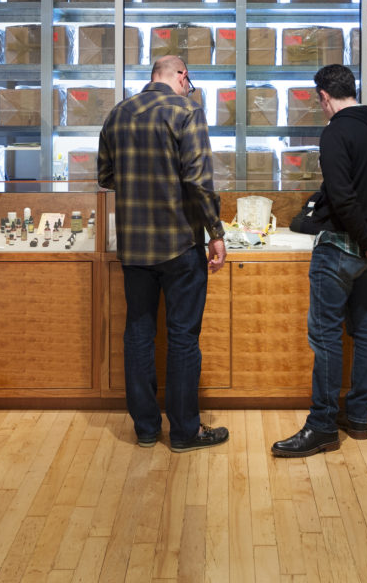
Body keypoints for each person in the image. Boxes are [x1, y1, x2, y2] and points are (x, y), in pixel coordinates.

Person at [98, 55, 229, 452]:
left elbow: (105, 177)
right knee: (183, 338)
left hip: (135, 247)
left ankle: (146, 429)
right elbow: (199, 180)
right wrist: (216, 232)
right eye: (190, 80)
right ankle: (185, 433)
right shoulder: (188, 111)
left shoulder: (118, 114)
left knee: (138, 332)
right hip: (179, 244)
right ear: (182, 77)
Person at [272, 64, 367, 458]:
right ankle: (358, 415)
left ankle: (322, 426)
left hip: (340, 250)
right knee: (363, 328)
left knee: (326, 336)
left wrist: (366, 242)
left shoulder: (335, 133)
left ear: (324, 97)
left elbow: (342, 199)